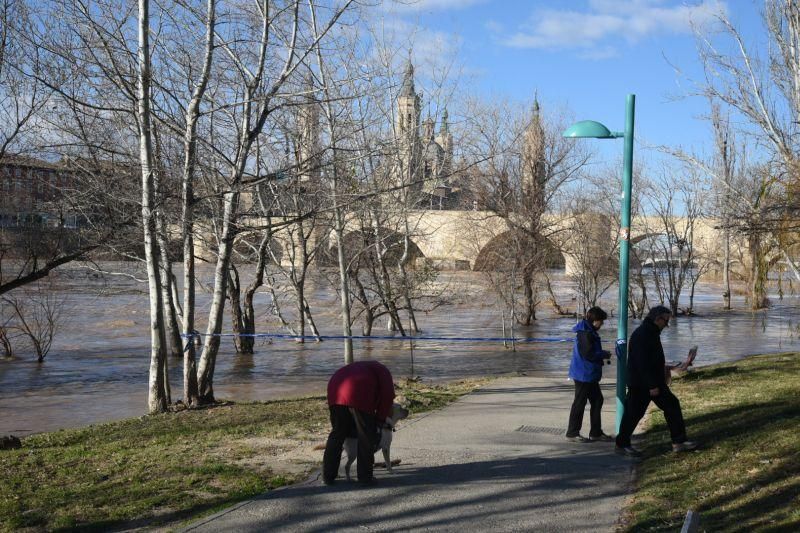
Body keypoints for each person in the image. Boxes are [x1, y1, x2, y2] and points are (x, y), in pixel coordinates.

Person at [615, 305, 699, 457]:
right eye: (666, 321)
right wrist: (652, 385)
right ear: (657, 318)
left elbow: (652, 360)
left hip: (652, 381)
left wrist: (666, 369)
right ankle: (622, 444)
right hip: (642, 384)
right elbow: (642, 363)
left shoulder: (651, 332)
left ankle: (679, 442)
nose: (666, 325)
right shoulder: (643, 334)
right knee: (633, 414)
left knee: (672, 406)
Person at [322, 360, 395, 485]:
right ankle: (365, 477)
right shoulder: (384, 371)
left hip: (335, 388)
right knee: (365, 435)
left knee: (337, 434)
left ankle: (328, 476)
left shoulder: (365, 367)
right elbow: (388, 396)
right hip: (359, 391)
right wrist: (380, 420)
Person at [565, 306, 613, 442]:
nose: (602, 324)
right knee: (579, 403)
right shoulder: (585, 333)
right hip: (583, 374)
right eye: (601, 321)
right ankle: (572, 433)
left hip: (588, 373)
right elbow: (588, 354)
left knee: (597, 400)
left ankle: (596, 432)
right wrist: (603, 354)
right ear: (595, 320)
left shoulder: (588, 331)